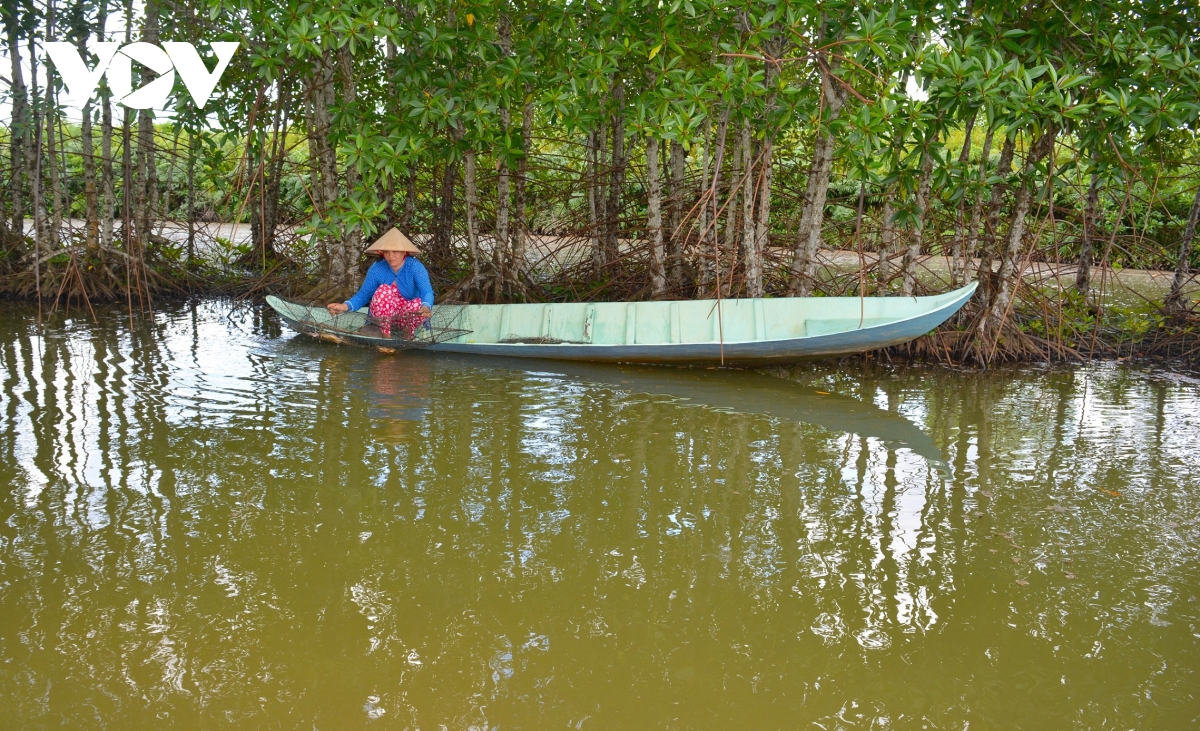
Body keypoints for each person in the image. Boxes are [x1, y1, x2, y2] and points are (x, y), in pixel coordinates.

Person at [327, 228, 434, 337]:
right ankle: (385, 335)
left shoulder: (415, 266)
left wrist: (425, 307)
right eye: (386, 251)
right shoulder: (377, 268)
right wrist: (344, 306)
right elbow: (363, 295)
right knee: (384, 290)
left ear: (404, 252)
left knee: (418, 303)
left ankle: (408, 332)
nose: (390, 256)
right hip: (382, 319)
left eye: (395, 251)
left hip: (405, 316)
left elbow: (427, 292)